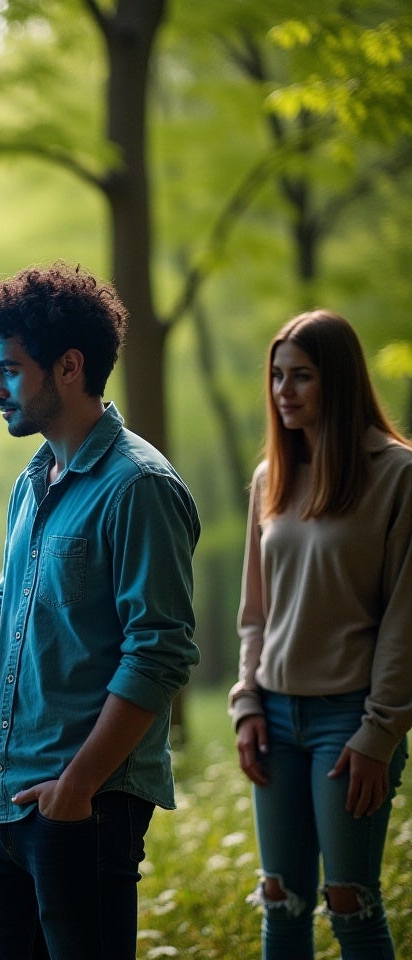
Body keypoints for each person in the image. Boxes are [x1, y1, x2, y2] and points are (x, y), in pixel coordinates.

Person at [0, 263, 201, 960]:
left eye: (11, 370)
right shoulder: (35, 478)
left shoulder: (139, 488)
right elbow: (3, 627)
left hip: (84, 803)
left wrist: (77, 787)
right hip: (5, 796)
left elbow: (160, 655)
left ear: (70, 367)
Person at [230, 310, 411, 959]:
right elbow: (255, 612)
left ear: (338, 380)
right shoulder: (269, 479)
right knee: (280, 901)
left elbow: (404, 620)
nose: (284, 390)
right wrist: (247, 700)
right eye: (277, 376)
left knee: (351, 904)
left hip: (351, 722)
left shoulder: (397, 474)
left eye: (301, 376)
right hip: (274, 719)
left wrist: (380, 732)